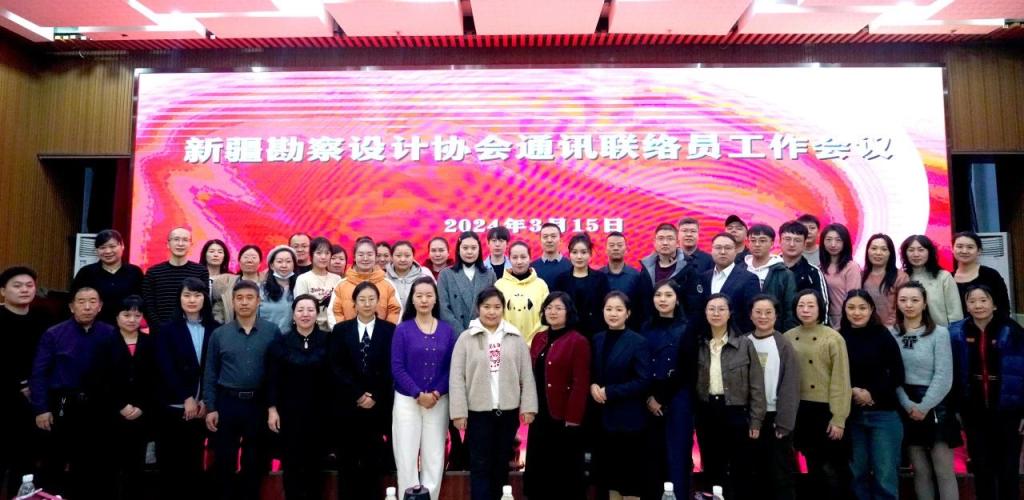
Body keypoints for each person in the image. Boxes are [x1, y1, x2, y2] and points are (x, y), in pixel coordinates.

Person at [30, 287, 131, 498]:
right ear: (71, 306)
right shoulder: (54, 333)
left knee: (94, 465)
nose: (87, 307)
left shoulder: (110, 333)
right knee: (54, 462)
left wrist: (120, 403)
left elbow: (122, 372)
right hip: (62, 405)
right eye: (81, 301)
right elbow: (39, 373)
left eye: (93, 301)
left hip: (99, 406)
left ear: (100, 306)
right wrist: (41, 409)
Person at [450, 287, 538, 500]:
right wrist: (458, 412)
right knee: (480, 465)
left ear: (503, 309)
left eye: (497, 307)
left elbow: (526, 375)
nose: (492, 312)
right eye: (486, 307)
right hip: (478, 412)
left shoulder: (515, 337)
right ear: (478, 309)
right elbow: (456, 377)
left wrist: (528, 406)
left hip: (507, 412)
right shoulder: (466, 338)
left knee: (501, 465)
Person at [203, 280, 281, 500]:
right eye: (239, 298)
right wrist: (211, 407)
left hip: (258, 403)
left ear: (258, 301)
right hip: (227, 402)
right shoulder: (220, 334)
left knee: (255, 460)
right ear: (233, 302)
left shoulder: (272, 332)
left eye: (249, 298)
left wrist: (273, 406)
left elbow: (276, 373)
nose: (244, 302)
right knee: (224, 459)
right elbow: (210, 372)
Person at [949, 285, 1023, 500]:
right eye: (972, 301)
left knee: (1008, 469)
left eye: (983, 300)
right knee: (981, 468)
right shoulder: (957, 333)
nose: (978, 305)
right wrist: (957, 408)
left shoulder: (1012, 331)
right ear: (966, 306)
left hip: (1008, 410)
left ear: (994, 304)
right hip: (973, 411)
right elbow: (953, 374)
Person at [693, 293, 766, 500]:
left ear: (730, 313)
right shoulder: (698, 343)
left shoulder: (744, 344)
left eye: (721, 309)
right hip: (707, 411)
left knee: (740, 467)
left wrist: (756, 420)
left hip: (736, 412)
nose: (716, 313)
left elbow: (756, 385)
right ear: (705, 313)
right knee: (712, 465)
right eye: (711, 309)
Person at [391, 277, 457, 500]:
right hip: (407, 401)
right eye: (419, 295)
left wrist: (436, 393)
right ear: (412, 299)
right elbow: (397, 367)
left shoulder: (447, 331)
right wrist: (417, 393)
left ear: (436, 299)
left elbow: (451, 368)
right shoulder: (402, 330)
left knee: (434, 456)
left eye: (429, 295)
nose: (424, 300)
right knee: (406, 455)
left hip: (438, 401)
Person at [330, 281, 397, 500]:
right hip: (349, 406)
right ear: (354, 303)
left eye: (371, 299)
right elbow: (336, 366)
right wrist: (357, 394)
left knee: (373, 463)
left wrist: (374, 395)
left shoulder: (389, 330)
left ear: (378, 302)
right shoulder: (341, 330)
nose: (367, 304)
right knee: (347, 462)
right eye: (362, 299)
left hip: (378, 407)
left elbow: (391, 367)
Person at [891, 281, 959, 500]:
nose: (909, 305)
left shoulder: (939, 333)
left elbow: (944, 376)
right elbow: (891, 374)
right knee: (920, 470)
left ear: (925, 303)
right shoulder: (891, 334)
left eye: (915, 300)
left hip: (936, 405)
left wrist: (924, 406)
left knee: (943, 470)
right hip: (905, 404)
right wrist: (907, 405)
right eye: (903, 300)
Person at [153, 277, 219, 500]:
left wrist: (205, 400)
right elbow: (165, 367)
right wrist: (186, 396)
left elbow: (213, 368)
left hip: (202, 409)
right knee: (170, 463)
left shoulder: (215, 329)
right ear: (179, 298)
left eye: (197, 295)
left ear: (205, 298)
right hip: (173, 407)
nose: (192, 300)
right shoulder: (166, 329)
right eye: (187, 295)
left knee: (194, 463)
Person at [784, 289, 851, 498]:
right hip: (799, 408)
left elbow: (841, 380)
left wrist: (839, 418)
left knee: (832, 467)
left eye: (811, 305)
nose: (805, 310)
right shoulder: (788, 337)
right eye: (801, 305)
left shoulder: (833, 337)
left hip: (825, 409)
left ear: (820, 308)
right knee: (811, 465)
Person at [839, 290, 905, 500]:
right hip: (851, 416)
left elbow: (897, 374)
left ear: (871, 310)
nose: (856, 312)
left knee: (885, 474)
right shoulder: (838, 337)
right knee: (856, 473)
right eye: (851, 308)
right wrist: (852, 390)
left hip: (883, 414)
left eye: (862, 308)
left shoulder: (882, 335)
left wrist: (872, 393)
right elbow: (832, 375)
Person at [524, 292, 590, 500]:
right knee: (539, 467)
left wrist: (573, 418)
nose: (553, 312)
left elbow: (580, 383)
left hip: (564, 416)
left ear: (569, 312)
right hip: (540, 413)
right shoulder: (539, 338)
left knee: (564, 470)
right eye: (549, 307)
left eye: (559, 308)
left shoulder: (578, 341)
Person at [266, 294, 331, 500]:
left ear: (317, 313)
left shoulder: (329, 341)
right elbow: (272, 378)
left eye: (310, 310)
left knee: (316, 466)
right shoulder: (280, 342)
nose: (305, 314)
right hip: (289, 414)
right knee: (292, 465)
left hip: (320, 413)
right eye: (300, 310)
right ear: (293, 315)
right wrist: (272, 409)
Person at [590, 292, 651, 500]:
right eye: (608, 309)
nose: (613, 314)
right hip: (602, 420)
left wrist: (610, 391)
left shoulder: (638, 342)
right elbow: (593, 372)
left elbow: (643, 381)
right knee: (609, 477)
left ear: (628, 313)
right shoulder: (597, 339)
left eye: (618, 309)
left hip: (629, 419)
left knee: (630, 479)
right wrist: (592, 385)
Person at [642, 280, 696, 500]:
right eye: (658, 295)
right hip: (647, 399)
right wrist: (649, 397)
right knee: (651, 456)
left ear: (677, 299)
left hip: (677, 398)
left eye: (668, 295)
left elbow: (687, 369)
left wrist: (661, 398)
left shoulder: (687, 328)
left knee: (677, 455)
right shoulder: (645, 327)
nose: (662, 300)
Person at [0, 266, 50, 496]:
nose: (24, 290)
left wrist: (35, 386)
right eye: (17, 286)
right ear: (3, 291)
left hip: (35, 400)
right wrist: (20, 385)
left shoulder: (44, 318)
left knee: (26, 462)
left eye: (29, 285)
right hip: (5, 398)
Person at [747, 295, 800, 500]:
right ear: (750, 315)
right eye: (758, 312)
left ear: (776, 315)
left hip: (775, 418)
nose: (763, 316)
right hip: (750, 417)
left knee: (780, 472)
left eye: (768, 312)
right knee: (753, 471)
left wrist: (784, 423)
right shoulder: (744, 341)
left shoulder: (783, 345)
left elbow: (790, 386)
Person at [111, 295, 156, 500]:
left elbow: (156, 378)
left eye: (137, 315)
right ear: (117, 317)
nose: (132, 319)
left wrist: (141, 406)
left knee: (137, 464)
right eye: (127, 315)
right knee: (112, 465)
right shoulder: (105, 342)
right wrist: (120, 405)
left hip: (141, 413)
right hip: (113, 414)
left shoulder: (151, 343)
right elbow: (100, 379)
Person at [71, 229, 144, 325]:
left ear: (122, 246)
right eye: (102, 247)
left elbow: (143, 301)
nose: (108, 251)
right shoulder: (86, 273)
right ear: (96, 250)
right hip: (95, 327)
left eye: (112, 246)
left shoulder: (135, 272)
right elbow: (74, 300)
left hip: (127, 327)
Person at [142, 227, 209, 333]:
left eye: (185, 240)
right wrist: (161, 328)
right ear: (168, 244)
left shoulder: (200, 271)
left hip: (191, 330)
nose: (180, 244)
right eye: (176, 239)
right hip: (160, 332)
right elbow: (148, 305)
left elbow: (203, 302)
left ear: (191, 244)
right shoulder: (153, 272)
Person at [329, 236, 402, 327]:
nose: (365, 258)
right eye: (361, 255)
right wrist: (343, 332)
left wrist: (387, 332)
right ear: (354, 257)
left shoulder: (387, 284)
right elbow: (335, 312)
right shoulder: (341, 285)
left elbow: (395, 310)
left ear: (375, 257)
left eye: (370, 254)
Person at [639, 223, 703, 324]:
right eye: (661, 238)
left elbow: (695, 304)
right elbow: (642, 301)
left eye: (670, 239)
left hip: (680, 326)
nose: (665, 243)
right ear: (654, 242)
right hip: (651, 326)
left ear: (677, 243)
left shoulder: (688, 268)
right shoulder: (646, 268)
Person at [553, 233, 611, 338]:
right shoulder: (561, 280)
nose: (579, 257)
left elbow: (606, 307)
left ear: (590, 254)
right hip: (567, 334)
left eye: (583, 252)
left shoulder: (601, 279)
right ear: (569, 254)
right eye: (574, 252)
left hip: (595, 334)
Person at [700, 232, 761, 333]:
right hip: (706, 337)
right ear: (711, 250)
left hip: (736, 337)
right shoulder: (703, 278)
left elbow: (751, 314)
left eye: (728, 248)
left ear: (736, 251)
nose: (722, 252)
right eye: (718, 248)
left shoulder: (749, 279)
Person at [439, 231, 498, 333]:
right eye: (465, 248)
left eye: (473, 248)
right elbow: (443, 309)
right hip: (455, 335)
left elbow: (494, 306)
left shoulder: (489, 275)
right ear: (458, 250)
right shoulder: (446, 275)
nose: (469, 252)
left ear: (479, 250)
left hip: (483, 333)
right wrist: (462, 334)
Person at [901, 235, 963, 327]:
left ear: (929, 252)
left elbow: (955, 313)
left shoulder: (943, 277)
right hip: (910, 332)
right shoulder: (902, 278)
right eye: (911, 250)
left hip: (941, 332)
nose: (916, 254)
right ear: (905, 253)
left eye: (921, 250)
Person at [494, 241, 549, 345]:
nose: (519, 261)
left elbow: (545, 317)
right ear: (509, 259)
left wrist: (532, 343)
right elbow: (495, 316)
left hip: (536, 346)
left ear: (530, 258)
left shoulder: (541, 285)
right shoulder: (499, 285)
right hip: (506, 345)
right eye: (515, 257)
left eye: (523, 257)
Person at [745, 224, 798, 331]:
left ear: (772, 243)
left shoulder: (784, 273)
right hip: (744, 331)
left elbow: (790, 308)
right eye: (753, 240)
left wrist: (785, 335)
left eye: (762, 241)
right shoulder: (740, 269)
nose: (757, 244)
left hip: (774, 331)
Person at [601, 231, 653, 330]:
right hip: (603, 330)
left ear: (626, 249)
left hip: (631, 330)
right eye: (611, 245)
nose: (616, 248)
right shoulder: (598, 276)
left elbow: (643, 308)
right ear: (606, 250)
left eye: (619, 245)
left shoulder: (637, 276)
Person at [952, 231, 1011, 318]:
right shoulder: (948, 277)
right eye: (959, 246)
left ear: (979, 251)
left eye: (970, 247)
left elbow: (1003, 307)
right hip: (957, 325)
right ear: (952, 249)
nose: (964, 251)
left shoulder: (991, 275)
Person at [778, 221, 830, 320]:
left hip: (804, 326)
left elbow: (823, 304)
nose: (792, 244)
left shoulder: (813, 272)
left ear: (805, 244)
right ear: (780, 241)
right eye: (787, 239)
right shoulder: (770, 268)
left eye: (797, 240)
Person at [294, 236, 343, 330]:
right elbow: (300, 307)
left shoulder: (337, 279)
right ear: (311, 255)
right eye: (319, 253)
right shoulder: (303, 279)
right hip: (312, 329)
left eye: (327, 253)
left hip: (334, 329)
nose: (323, 257)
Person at [861, 234, 909, 327]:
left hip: (891, 329)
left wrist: (888, 328)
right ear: (867, 251)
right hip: (864, 328)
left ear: (890, 253)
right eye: (874, 248)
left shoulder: (901, 277)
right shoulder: (861, 275)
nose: (878, 253)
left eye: (884, 249)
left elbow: (903, 307)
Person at [819, 223, 861, 327]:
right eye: (828, 240)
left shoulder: (851, 267)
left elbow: (853, 298)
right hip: (824, 320)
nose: (833, 244)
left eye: (838, 240)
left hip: (845, 319)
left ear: (845, 243)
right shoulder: (819, 267)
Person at [212, 245, 264, 324]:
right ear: (239, 262)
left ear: (260, 263)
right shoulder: (226, 283)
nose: (249, 260)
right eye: (246, 257)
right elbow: (219, 309)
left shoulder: (267, 284)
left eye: (254, 257)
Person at [384, 240, 435, 317]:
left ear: (413, 256)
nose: (403, 259)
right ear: (391, 257)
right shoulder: (384, 278)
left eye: (407, 256)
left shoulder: (424, 275)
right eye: (398, 255)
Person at [260, 245, 298, 333]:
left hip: (291, 337)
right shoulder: (261, 289)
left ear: (294, 265)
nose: (284, 265)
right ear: (272, 266)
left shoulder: (299, 288)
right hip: (266, 336)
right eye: (279, 261)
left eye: (288, 261)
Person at [532, 222, 571, 287]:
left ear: (560, 239)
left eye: (553, 236)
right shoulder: (532, 268)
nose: (549, 240)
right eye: (545, 237)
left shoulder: (571, 266)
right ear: (540, 240)